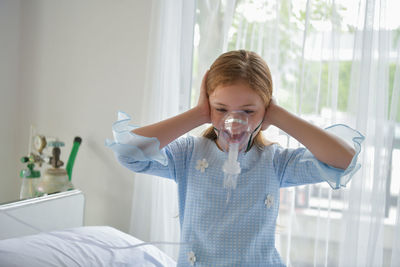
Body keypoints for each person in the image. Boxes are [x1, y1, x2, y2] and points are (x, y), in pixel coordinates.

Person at [107, 50, 364, 266]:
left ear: (266, 109)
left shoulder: (275, 162)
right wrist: (198, 114)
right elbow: (129, 153)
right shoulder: (187, 155)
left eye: (249, 111)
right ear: (209, 105)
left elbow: (343, 160)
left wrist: (277, 116)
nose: (234, 122)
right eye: (221, 109)